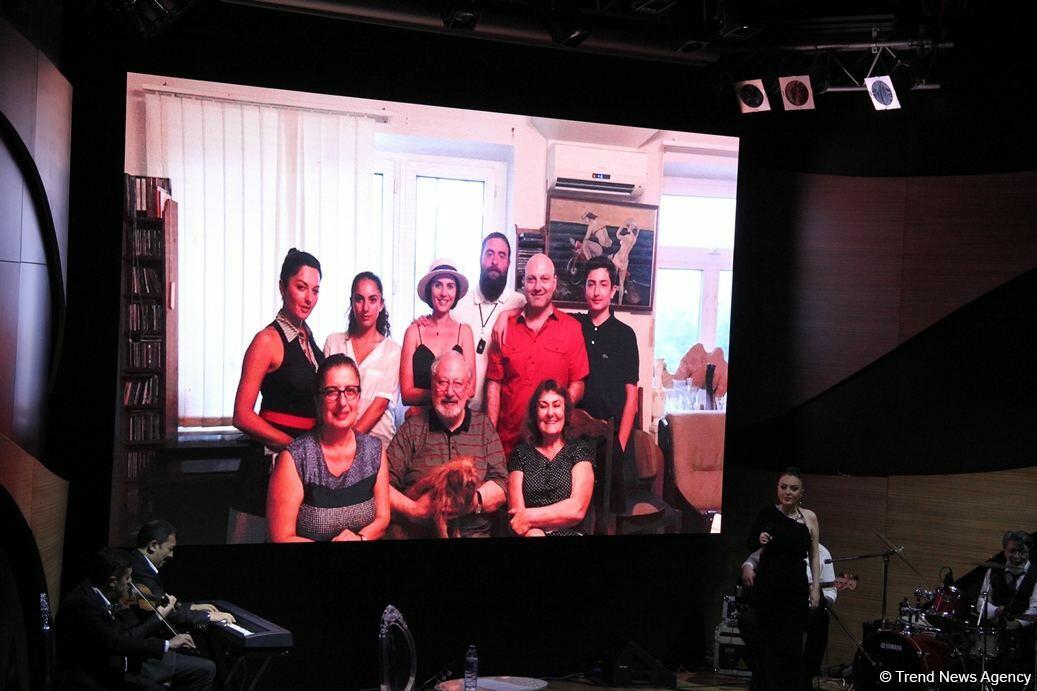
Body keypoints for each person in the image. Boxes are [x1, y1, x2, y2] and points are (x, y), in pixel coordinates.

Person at [230, 248, 325, 542]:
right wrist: (292, 447)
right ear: (282, 287)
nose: (309, 298)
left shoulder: (309, 339)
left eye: (315, 290)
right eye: (301, 287)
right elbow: (241, 415)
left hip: (302, 462)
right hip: (268, 464)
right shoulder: (267, 340)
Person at [266, 354, 390, 542]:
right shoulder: (294, 459)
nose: (342, 402)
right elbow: (281, 538)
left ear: (359, 397)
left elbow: (382, 519)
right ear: (318, 401)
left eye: (350, 391)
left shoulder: (375, 450)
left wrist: (360, 538)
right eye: (331, 392)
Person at [387, 350, 507, 538]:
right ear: (431, 385)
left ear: (468, 388)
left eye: (458, 384)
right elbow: (382, 486)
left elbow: (502, 485)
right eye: (442, 382)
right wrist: (415, 510)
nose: (450, 392)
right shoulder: (412, 428)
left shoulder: (484, 427)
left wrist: (471, 502)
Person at [56, 548, 213, 691]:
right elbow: (116, 642)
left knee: (204, 669)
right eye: (128, 578)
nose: (131, 583)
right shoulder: (83, 605)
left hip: (120, 663)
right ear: (112, 581)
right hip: (93, 676)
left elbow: (127, 634)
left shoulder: (100, 594)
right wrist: (167, 644)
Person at [486, 253, 589, 456]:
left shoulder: (572, 329)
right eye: (531, 279)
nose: (538, 286)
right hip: (508, 444)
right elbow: (494, 385)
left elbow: (578, 384)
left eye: (544, 279)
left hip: (553, 446)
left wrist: (554, 412)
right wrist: (490, 438)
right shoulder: (504, 328)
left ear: (554, 282)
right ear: (523, 283)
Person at [744, 468, 821, 691]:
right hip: (768, 588)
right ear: (777, 489)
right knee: (766, 645)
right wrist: (760, 538)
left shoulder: (809, 518)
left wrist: (815, 588)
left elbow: (814, 555)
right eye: (783, 487)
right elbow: (750, 543)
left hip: (795, 589)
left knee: (791, 646)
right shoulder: (768, 513)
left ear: (801, 492)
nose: (788, 492)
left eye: (793, 488)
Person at [574, 255, 639, 493]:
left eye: (603, 284)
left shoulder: (625, 335)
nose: (596, 292)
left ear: (613, 290)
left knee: (611, 506)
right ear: (584, 289)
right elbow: (539, 308)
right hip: (576, 440)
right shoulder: (574, 326)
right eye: (591, 284)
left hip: (613, 439)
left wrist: (619, 448)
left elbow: (632, 397)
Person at [741, 543, 837, 690]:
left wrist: (817, 596)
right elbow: (752, 559)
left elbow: (831, 592)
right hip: (774, 605)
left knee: (820, 618)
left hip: (802, 607)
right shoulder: (779, 543)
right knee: (747, 620)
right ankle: (763, 673)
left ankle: (806, 677)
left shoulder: (822, 553)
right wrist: (747, 567)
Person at [507, 380, 595, 537]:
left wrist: (528, 517)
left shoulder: (579, 450)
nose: (550, 413)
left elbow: (577, 509)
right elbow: (517, 517)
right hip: (531, 534)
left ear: (565, 411)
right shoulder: (520, 453)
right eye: (543, 406)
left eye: (556, 405)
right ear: (535, 413)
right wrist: (534, 530)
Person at [323, 271, 401, 446]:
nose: (365, 308)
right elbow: (326, 398)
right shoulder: (333, 342)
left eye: (372, 300)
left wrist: (346, 444)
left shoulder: (393, 351)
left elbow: (379, 406)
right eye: (359, 299)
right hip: (333, 442)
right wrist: (335, 447)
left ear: (381, 305)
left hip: (378, 444)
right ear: (351, 302)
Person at [450, 232, 525, 412]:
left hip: (501, 414)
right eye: (489, 254)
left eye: (501, 255)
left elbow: (541, 310)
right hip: (461, 411)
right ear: (480, 259)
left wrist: (506, 314)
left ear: (509, 263)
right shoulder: (459, 304)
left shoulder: (520, 303)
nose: (495, 261)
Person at [130, 520, 236, 630]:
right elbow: (166, 611)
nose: (171, 555)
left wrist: (192, 607)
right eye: (170, 549)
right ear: (153, 546)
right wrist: (207, 616)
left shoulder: (136, 561)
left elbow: (161, 602)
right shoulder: (140, 572)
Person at [400, 259, 476, 408]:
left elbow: (471, 389)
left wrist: (437, 394)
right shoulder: (413, 332)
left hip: (456, 417)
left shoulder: (464, 332)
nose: (443, 293)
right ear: (429, 290)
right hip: (420, 419)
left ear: (456, 292)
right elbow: (406, 394)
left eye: (450, 286)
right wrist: (447, 395)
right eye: (438, 285)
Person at [975, 530, 1036, 672]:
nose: (1017, 556)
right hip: (997, 637)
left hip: (1026, 639)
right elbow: (981, 602)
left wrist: (1017, 623)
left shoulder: (1035, 574)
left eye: (1022, 552)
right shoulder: (993, 572)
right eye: (1012, 551)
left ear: (1028, 552)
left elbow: (1035, 608)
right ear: (1004, 551)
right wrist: (995, 610)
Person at [611, 219, 639, 302]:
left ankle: (610, 298)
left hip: (618, 258)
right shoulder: (634, 239)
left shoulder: (627, 237)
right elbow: (637, 230)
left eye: (628, 226)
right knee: (621, 283)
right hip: (625, 262)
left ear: (631, 228)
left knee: (612, 278)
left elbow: (617, 235)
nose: (627, 228)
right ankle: (620, 303)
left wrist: (622, 226)